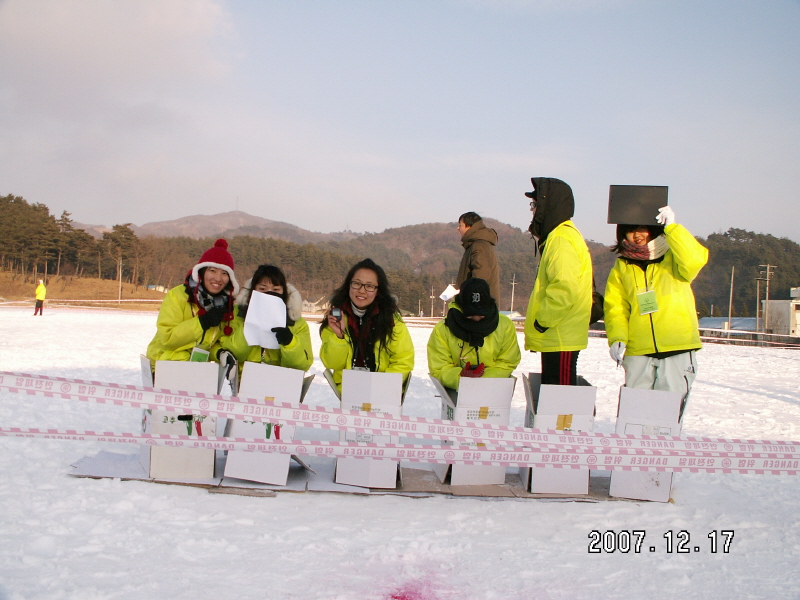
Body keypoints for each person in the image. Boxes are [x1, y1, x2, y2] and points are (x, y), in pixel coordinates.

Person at [604, 206, 708, 420]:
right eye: (631, 229)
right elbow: (616, 307)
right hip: (638, 351)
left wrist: (673, 228)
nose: (637, 235)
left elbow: (695, 260)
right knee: (635, 417)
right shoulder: (622, 266)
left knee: (666, 418)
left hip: (677, 348)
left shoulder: (674, 256)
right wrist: (617, 337)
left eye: (643, 228)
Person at [523, 177, 593, 386]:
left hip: (560, 334)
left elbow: (565, 286)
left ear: (548, 205)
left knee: (561, 404)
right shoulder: (557, 236)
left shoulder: (561, 238)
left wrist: (543, 320)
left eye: (535, 205)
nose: (532, 210)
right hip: (557, 335)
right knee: (555, 401)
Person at [320, 258, 414, 392]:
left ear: (378, 290)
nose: (362, 291)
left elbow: (403, 361)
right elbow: (332, 363)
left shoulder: (392, 321)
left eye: (369, 286)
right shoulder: (336, 318)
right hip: (349, 393)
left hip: (383, 394)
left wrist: (380, 388)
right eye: (357, 284)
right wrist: (339, 336)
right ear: (349, 285)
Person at [146, 238, 239, 368]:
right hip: (165, 365)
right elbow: (167, 338)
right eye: (212, 270)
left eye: (224, 273)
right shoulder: (178, 295)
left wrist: (219, 353)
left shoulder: (224, 305)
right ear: (201, 272)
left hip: (196, 369)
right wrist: (202, 322)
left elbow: (210, 344)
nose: (218, 278)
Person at [427, 277, 520, 390]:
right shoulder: (444, 328)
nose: (476, 319)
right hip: (456, 389)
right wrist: (459, 377)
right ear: (461, 307)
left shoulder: (504, 325)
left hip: (493, 389)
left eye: (481, 315)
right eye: (470, 315)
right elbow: (439, 367)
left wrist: (481, 380)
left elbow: (507, 363)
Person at [229, 264, 313, 372]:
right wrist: (249, 325)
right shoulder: (237, 315)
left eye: (276, 289)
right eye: (263, 289)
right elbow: (232, 354)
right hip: (245, 383)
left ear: (284, 292)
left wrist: (290, 343)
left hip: (280, 383)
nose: (269, 294)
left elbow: (302, 365)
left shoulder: (296, 323)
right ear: (253, 290)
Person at [455, 212, 501, 306]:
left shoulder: (479, 246)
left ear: (469, 226)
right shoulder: (476, 245)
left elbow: (480, 278)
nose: (458, 228)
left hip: (478, 309)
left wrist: (474, 305)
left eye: (460, 225)